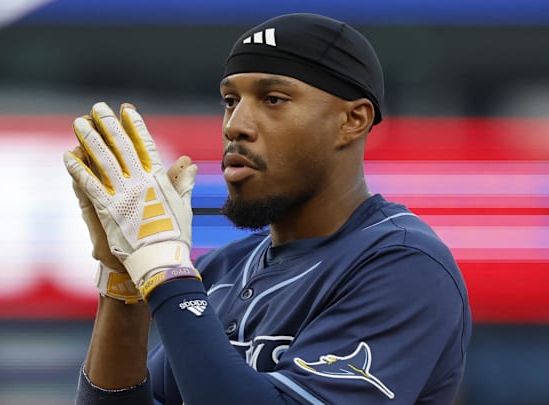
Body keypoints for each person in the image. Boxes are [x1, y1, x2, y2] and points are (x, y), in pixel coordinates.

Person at [63, 13, 471, 405]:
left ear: (352, 120)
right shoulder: (222, 270)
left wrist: (167, 274)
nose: (234, 125)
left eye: (273, 99)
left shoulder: (403, 266)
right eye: (229, 100)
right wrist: (124, 283)